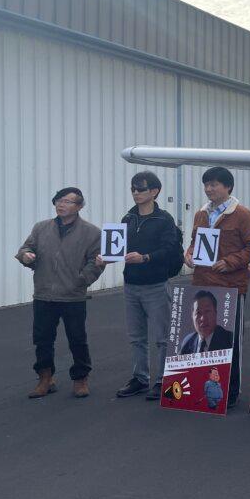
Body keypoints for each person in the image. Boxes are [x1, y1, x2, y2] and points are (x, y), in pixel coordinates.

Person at [95, 171, 181, 402]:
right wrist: (107, 258)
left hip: (156, 284)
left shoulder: (164, 219)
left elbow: (169, 249)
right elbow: (119, 247)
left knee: (162, 337)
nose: (135, 193)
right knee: (136, 337)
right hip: (131, 284)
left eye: (140, 189)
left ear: (154, 191)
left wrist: (145, 258)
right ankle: (140, 378)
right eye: (133, 189)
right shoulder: (128, 218)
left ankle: (163, 380)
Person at [15, 187, 104, 399]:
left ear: (79, 206)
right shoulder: (41, 228)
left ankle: (80, 378)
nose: (61, 205)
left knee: (77, 339)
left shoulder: (91, 232)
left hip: (73, 296)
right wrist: (26, 256)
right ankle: (45, 378)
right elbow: (26, 249)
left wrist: (81, 280)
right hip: (44, 294)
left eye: (67, 201)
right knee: (42, 339)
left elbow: (96, 262)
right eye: (58, 201)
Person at [183, 167, 250, 408]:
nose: (208, 189)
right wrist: (189, 254)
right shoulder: (201, 214)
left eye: (214, 184)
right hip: (202, 285)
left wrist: (230, 262)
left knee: (229, 342)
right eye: (206, 185)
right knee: (201, 340)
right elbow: (195, 242)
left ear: (228, 187)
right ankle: (200, 389)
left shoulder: (242, 215)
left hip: (230, 287)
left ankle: (231, 392)